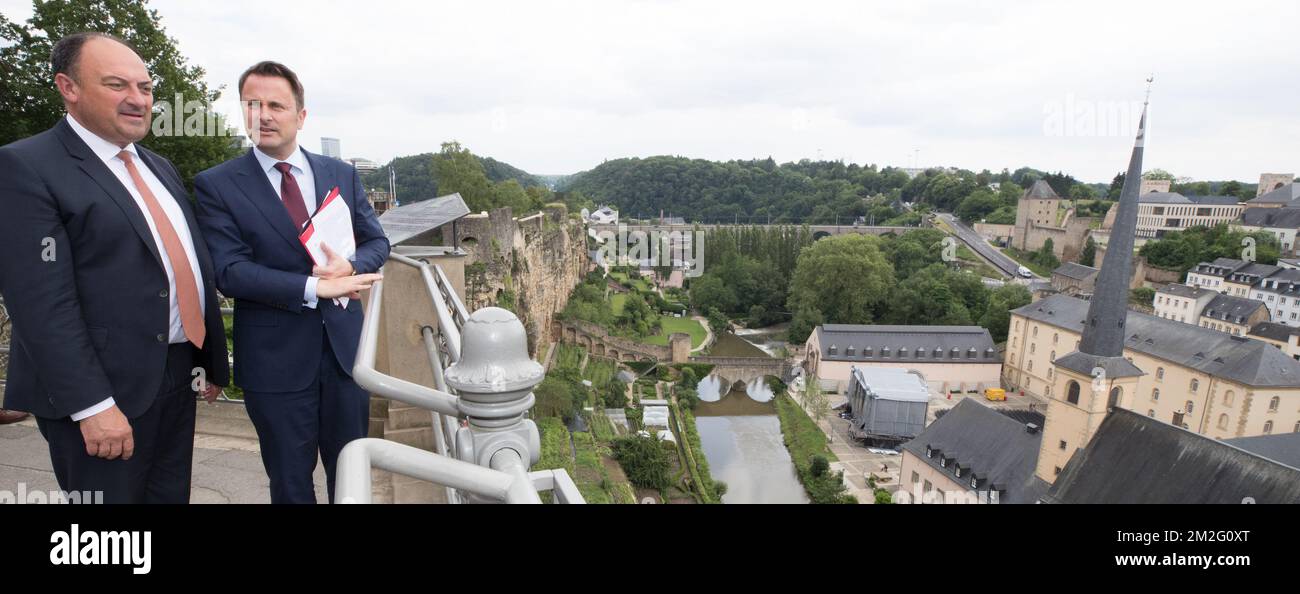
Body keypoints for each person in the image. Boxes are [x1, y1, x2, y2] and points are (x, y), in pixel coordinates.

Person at [0, 32, 228, 503]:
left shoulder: (156, 165)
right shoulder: (25, 166)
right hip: (102, 391)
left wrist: (207, 360)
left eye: (145, 88)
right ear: (69, 87)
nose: (138, 99)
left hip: (176, 374)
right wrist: (92, 406)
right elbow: (40, 305)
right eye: (117, 85)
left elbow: (185, 264)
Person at [194, 61, 389, 504]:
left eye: (275, 105)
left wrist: (351, 265)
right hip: (274, 362)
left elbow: (377, 240)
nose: (263, 115)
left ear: (300, 116)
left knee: (353, 473)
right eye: (252, 105)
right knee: (289, 482)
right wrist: (311, 288)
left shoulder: (340, 173)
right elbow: (229, 271)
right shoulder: (216, 185)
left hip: (345, 357)